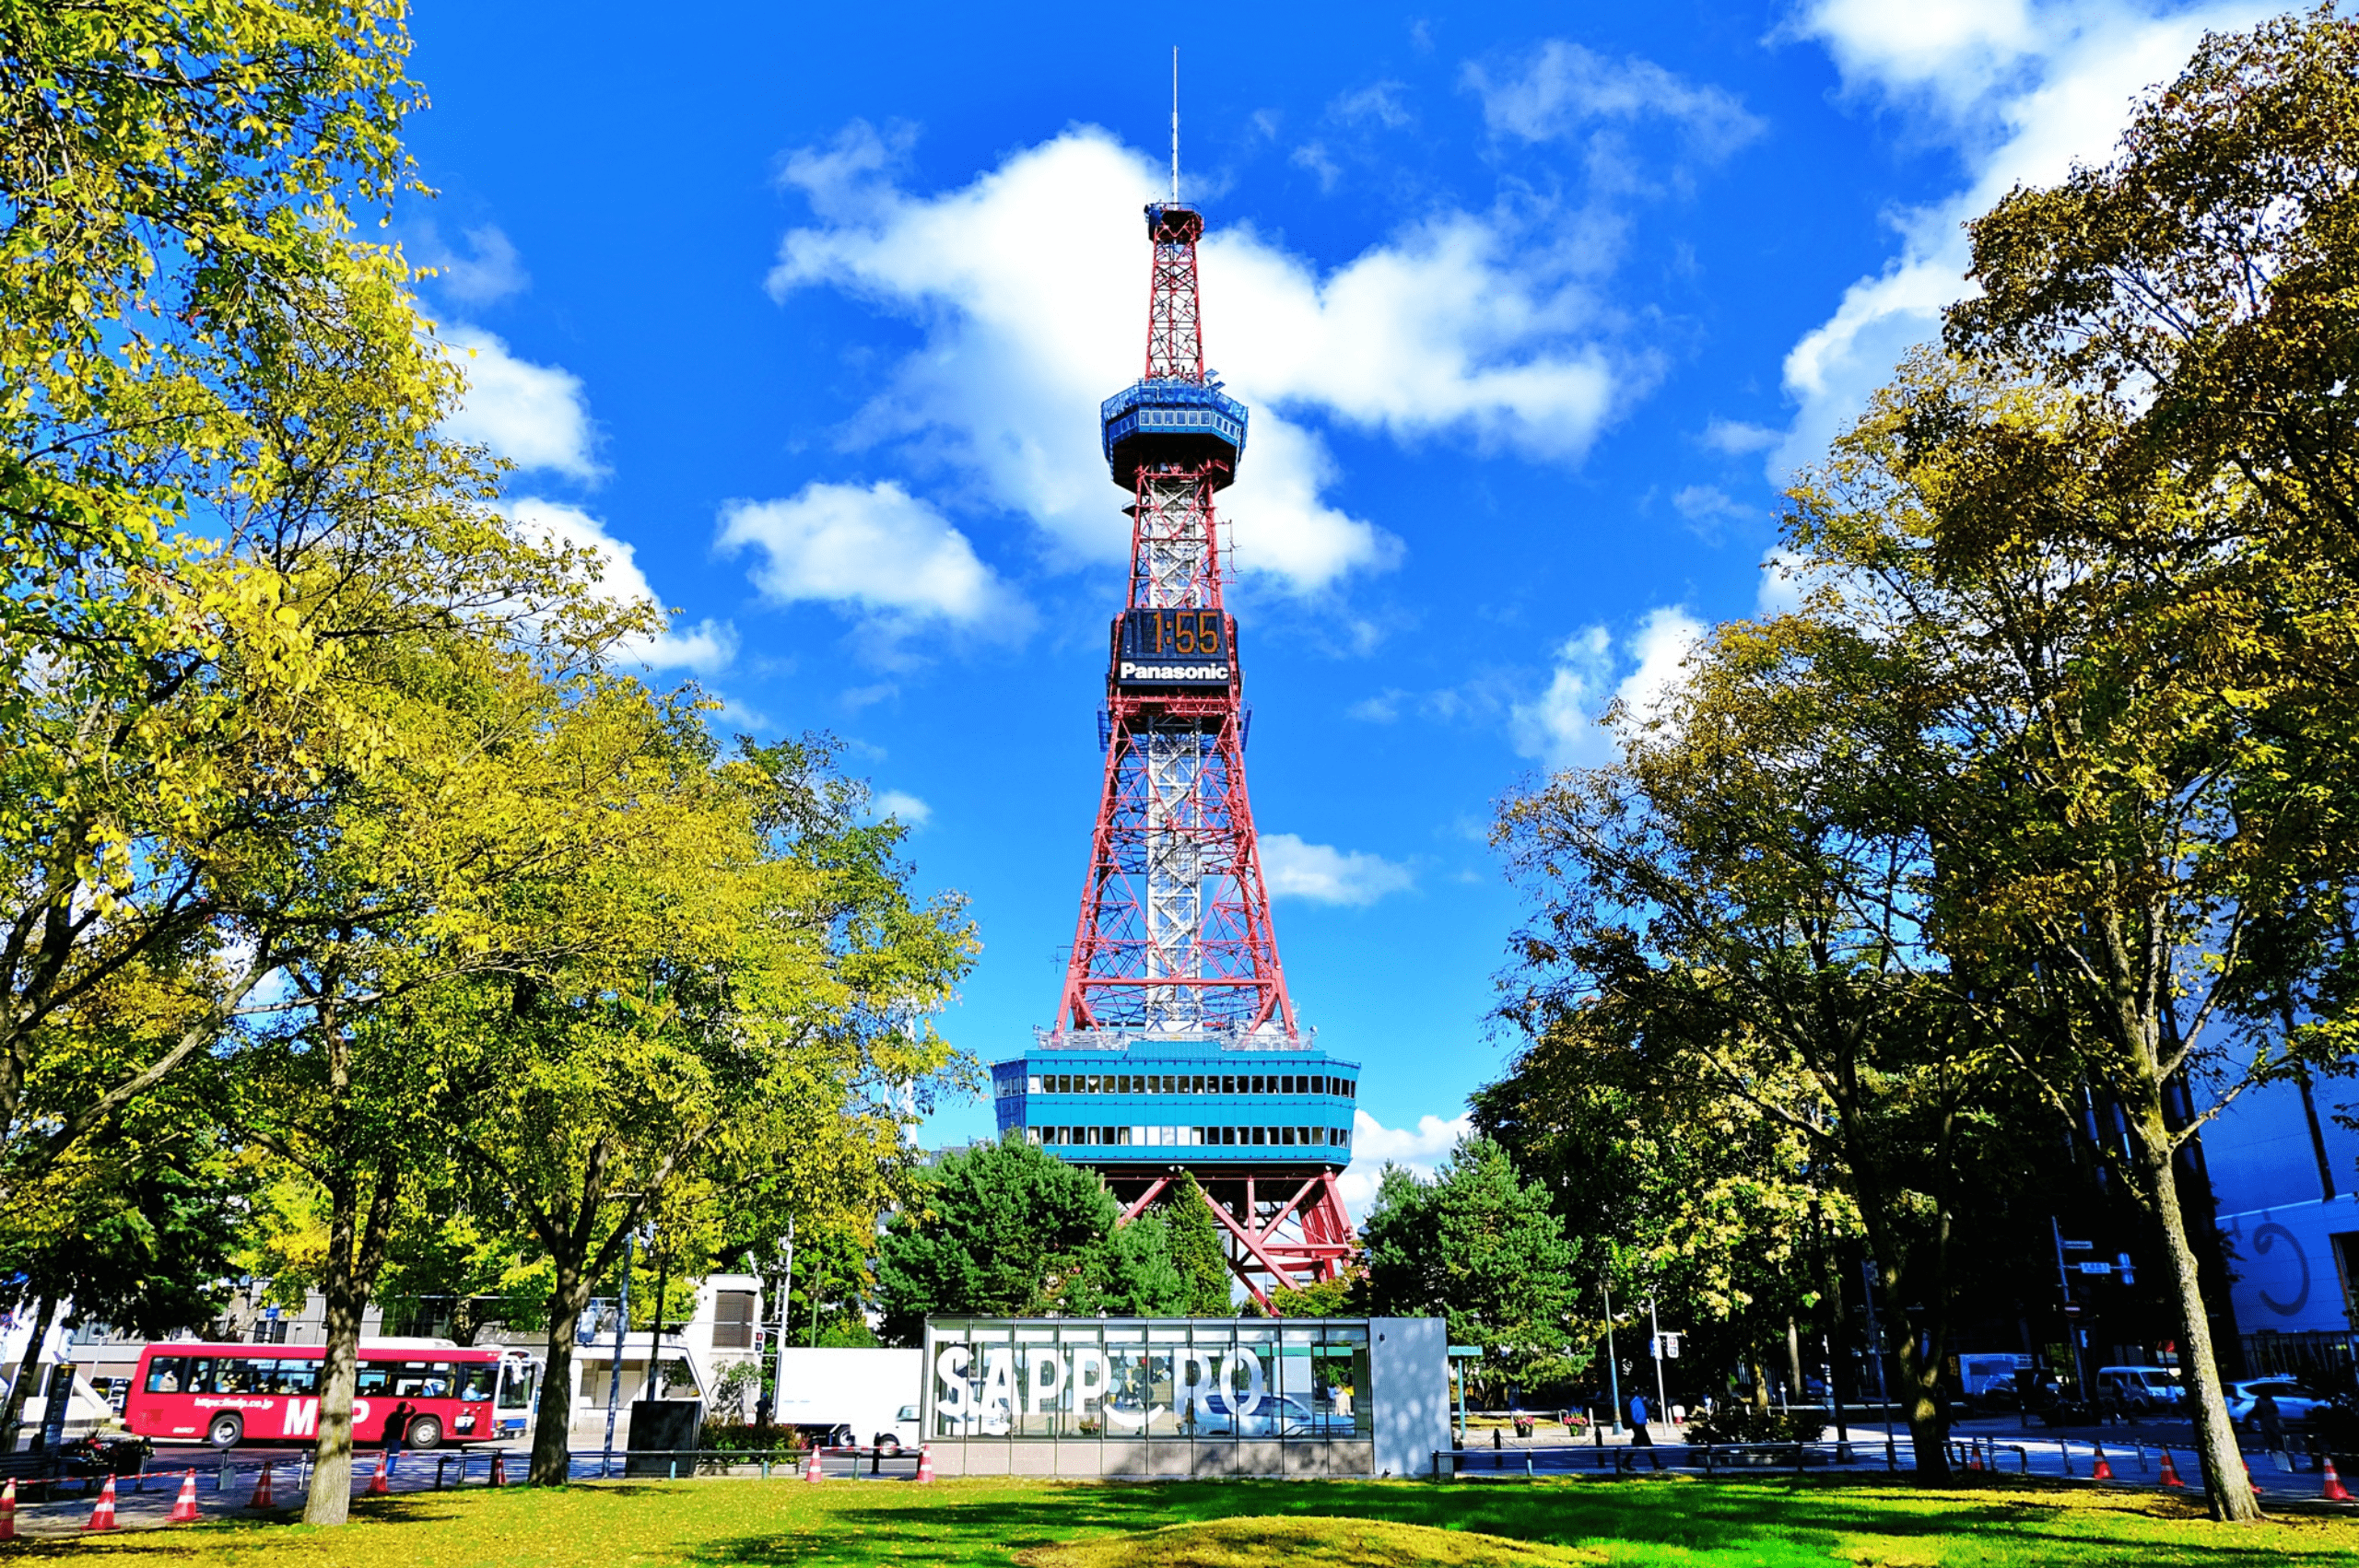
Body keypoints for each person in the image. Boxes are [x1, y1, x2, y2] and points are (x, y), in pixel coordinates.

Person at [2254, 1388, 2288, 1469]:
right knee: (2269, 1436)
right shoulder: (2260, 1400)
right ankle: (2273, 1450)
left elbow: (2275, 1410)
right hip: (2266, 1419)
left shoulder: (2268, 1400)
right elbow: (2257, 1409)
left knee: (2275, 1435)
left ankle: (2279, 1449)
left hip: (2270, 1419)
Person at [1627, 1390, 1661, 1470]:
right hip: (1639, 1425)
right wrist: (1641, 1423)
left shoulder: (1636, 1400)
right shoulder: (1636, 1401)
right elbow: (1638, 1414)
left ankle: (1626, 1463)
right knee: (1648, 1444)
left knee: (1637, 1445)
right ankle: (1656, 1465)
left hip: (1638, 1425)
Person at [384, 1399, 415, 1467]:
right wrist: (409, 1404)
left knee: (388, 1454)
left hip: (390, 1437)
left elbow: (386, 1424)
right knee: (394, 1455)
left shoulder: (392, 1415)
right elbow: (413, 1411)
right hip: (397, 1438)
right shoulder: (404, 1416)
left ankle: (385, 1467)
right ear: (403, 1409)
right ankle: (389, 1470)